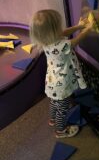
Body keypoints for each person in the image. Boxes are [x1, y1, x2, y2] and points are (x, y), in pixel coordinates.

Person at [30, 9, 93, 138]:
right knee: (62, 110)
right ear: (53, 30)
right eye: (58, 26)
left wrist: (79, 26)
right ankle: (61, 130)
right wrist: (88, 29)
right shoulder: (62, 45)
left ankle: (52, 119)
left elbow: (63, 32)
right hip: (61, 85)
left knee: (54, 101)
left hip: (52, 82)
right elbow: (77, 40)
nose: (61, 28)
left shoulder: (45, 40)